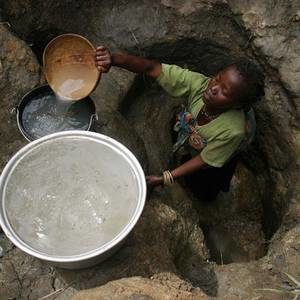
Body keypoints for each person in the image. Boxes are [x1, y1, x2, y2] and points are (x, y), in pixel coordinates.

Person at [95, 46, 265, 201]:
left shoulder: (233, 131)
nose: (213, 88)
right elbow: (152, 68)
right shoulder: (200, 84)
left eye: (224, 91)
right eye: (217, 79)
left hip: (221, 154)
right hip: (197, 132)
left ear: (236, 105)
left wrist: (165, 178)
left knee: (206, 185)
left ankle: (204, 197)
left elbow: (205, 159)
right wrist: (114, 59)